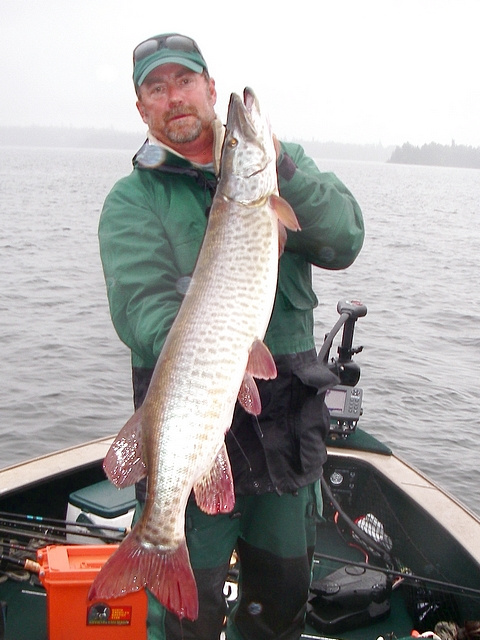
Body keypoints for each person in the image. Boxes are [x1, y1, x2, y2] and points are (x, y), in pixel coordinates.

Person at [98, 32, 365, 640]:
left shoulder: (276, 172)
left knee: (281, 602)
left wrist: (282, 167)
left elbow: (345, 238)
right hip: (190, 428)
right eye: (156, 88)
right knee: (190, 622)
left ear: (210, 89)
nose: (175, 97)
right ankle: (156, 546)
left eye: (185, 81)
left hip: (283, 430)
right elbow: (140, 310)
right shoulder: (132, 202)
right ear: (142, 108)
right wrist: (216, 358)